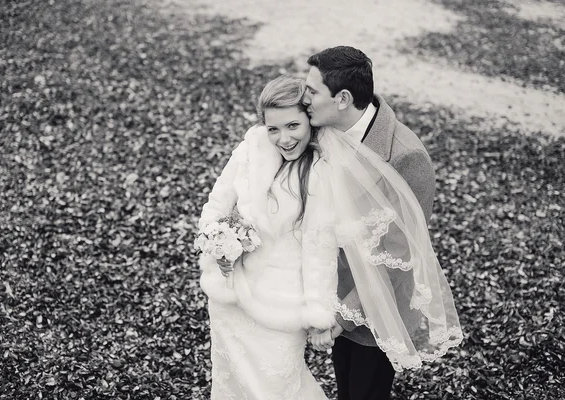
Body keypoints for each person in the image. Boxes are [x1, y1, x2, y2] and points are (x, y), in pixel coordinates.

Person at [198, 75, 462, 400]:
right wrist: (218, 243)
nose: (283, 138)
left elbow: (319, 250)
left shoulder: (321, 171)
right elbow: (214, 205)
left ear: (309, 121)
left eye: (293, 125)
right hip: (228, 300)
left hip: (278, 308)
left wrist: (320, 314)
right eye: (273, 128)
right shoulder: (250, 149)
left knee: (276, 388)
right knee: (229, 384)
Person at [301, 45, 441, 399]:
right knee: (345, 388)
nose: (304, 99)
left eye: (312, 91)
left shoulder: (406, 157)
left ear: (343, 98)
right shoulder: (321, 130)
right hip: (333, 290)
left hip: (378, 311)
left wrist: (343, 314)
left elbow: (400, 254)